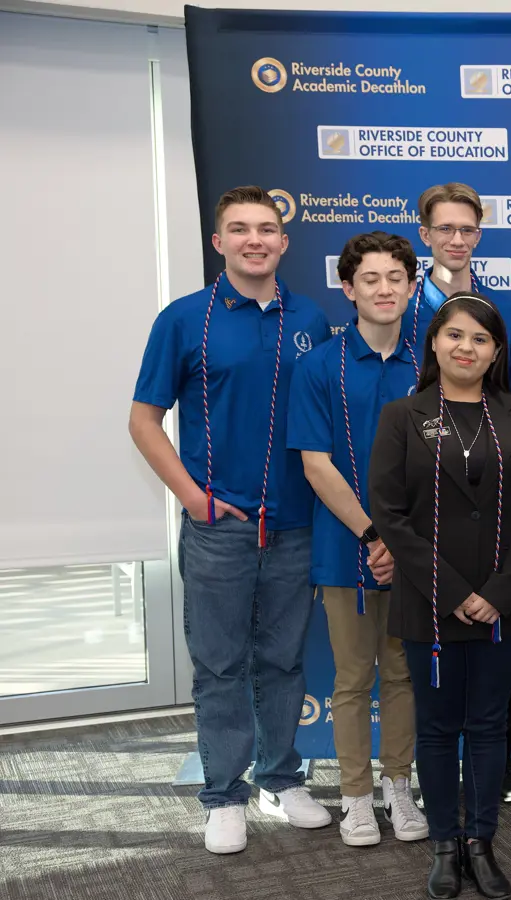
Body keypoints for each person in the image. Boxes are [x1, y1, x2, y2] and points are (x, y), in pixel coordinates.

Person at [130, 186, 332, 854]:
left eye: (266, 229)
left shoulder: (311, 317)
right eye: (240, 229)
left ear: (283, 242)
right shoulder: (184, 319)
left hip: (296, 525)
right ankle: (223, 794)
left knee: (282, 662)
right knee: (220, 667)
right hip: (219, 528)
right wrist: (194, 499)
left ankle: (281, 779)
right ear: (218, 243)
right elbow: (143, 420)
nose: (255, 240)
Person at [369, 293, 511, 900]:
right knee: (438, 728)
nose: (466, 347)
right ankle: (445, 845)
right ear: (435, 343)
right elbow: (390, 513)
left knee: (488, 726)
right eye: (454, 335)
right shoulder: (403, 415)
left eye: (480, 338)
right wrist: (450, 591)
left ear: (497, 351)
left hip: (502, 604)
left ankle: (482, 842)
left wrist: (499, 591)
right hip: (429, 603)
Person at [287, 232, 428, 848]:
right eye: (370, 278)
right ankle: (355, 796)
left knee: (402, 675)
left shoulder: (428, 363)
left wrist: (403, 540)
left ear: (412, 285)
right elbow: (316, 464)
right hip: (346, 546)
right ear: (348, 288)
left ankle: (400, 786)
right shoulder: (319, 364)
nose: (384, 289)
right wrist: (373, 533)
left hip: (415, 550)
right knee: (351, 679)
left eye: (396, 277)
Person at [409, 181, 511, 803]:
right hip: (421, 500)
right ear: (425, 234)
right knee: (425, 666)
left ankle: (498, 765)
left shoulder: (501, 308)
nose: (456, 240)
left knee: (493, 653)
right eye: (445, 229)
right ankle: (423, 773)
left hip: (489, 499)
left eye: (467, 229)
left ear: (479, 234)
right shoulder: (402, 304)